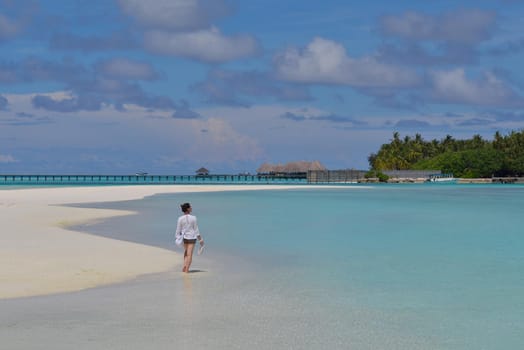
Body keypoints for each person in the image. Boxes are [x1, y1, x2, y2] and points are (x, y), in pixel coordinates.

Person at [175, 202, 204, 273]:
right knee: (189, 254)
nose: (191, 208)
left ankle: (184, 267)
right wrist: (200, 240)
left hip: (184, 238)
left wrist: (177, 238)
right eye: (190, 207)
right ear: (188, 209)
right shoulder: (193, 218)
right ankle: (187, 270)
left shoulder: (180, 218)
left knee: (186, 252)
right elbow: (196, 230)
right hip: (192, 238)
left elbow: (178, 230)